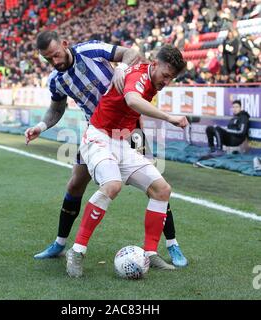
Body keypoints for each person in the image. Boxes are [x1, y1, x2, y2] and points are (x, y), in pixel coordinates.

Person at [25, 30, 188, 267]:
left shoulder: (89, 50)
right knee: (75, 184)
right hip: (98, 130)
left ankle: (171, 244)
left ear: (64, 43)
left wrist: (121, 67)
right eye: (48, 59)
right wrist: (41, 125)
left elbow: (130, 53)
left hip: (129, 129)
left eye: (56, 55)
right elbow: (56, 110)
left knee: (156, 186)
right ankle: (61, 244)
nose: (55, 61)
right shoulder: (56, 80)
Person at [65, 44, 188, 278]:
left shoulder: (149, 77)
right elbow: (132, 100)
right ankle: (77, 251)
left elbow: (132, 103)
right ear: (155, 64)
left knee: (162, 190)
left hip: (121, 142)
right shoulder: (140, 76)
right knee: (112, 185)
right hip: (98, 137)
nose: (166, 82)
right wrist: (169, 117)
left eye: (171, 78)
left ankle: (150, 252)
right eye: (165, 75)